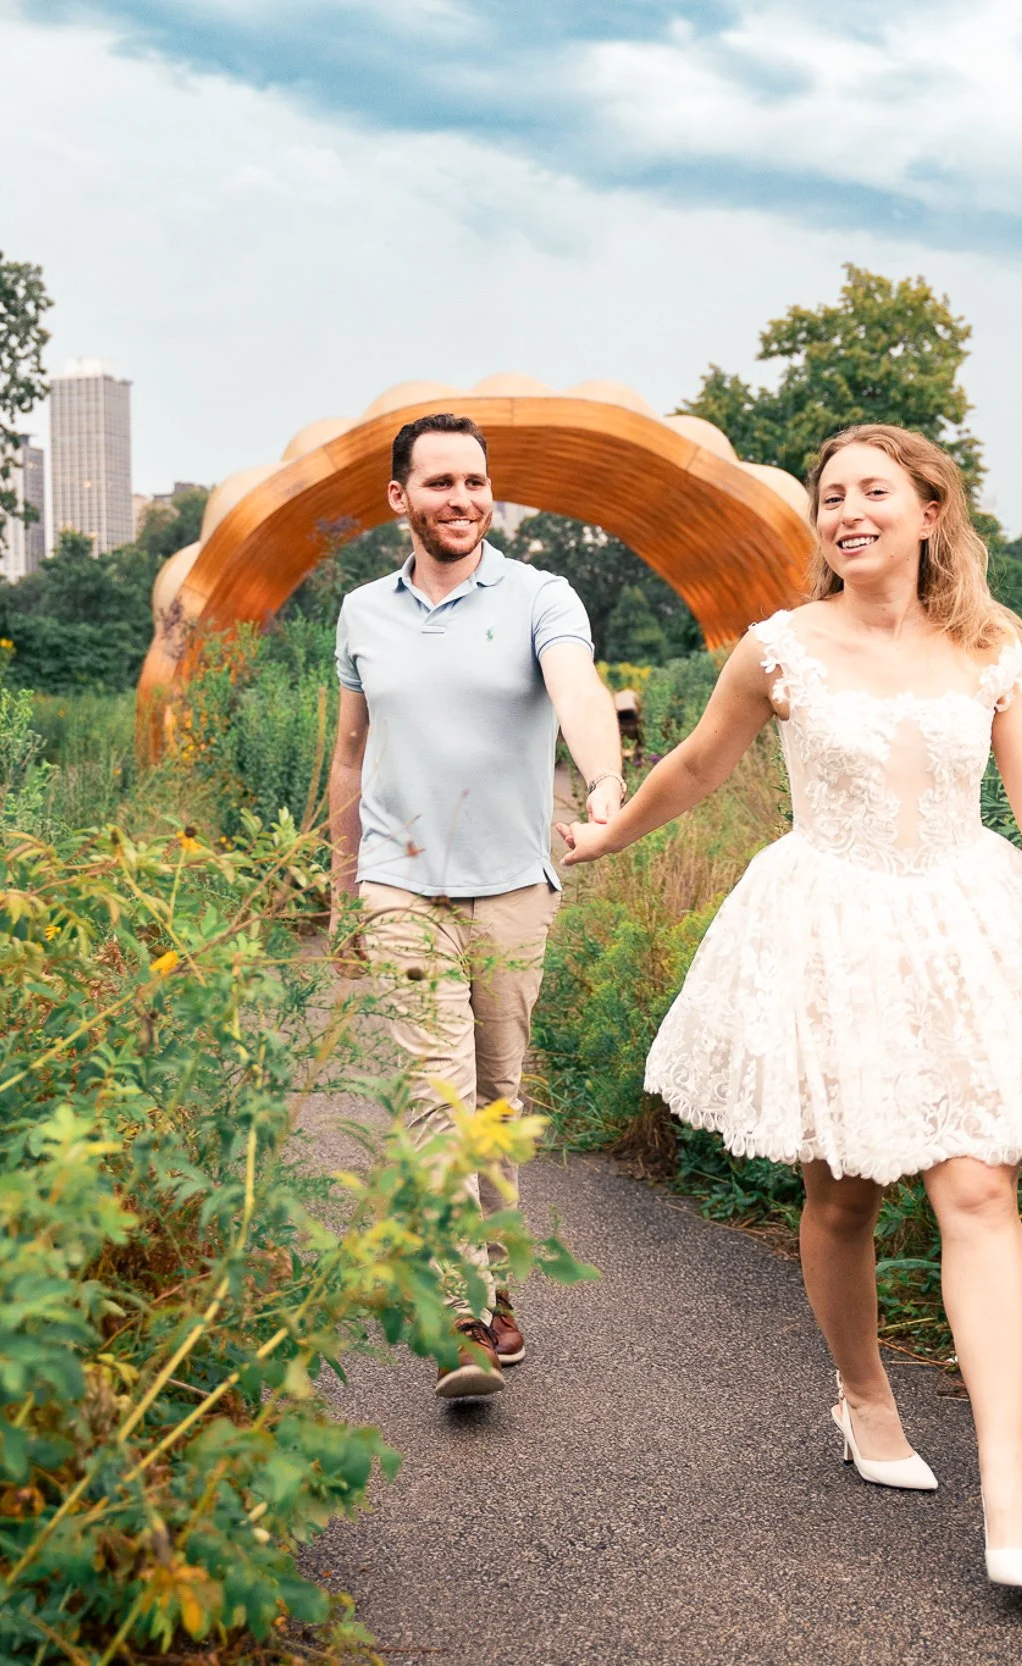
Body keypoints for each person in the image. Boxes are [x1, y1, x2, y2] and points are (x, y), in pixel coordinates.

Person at [555, 423, 1022, 1586]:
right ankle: (861, 1391)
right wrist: (606, 833)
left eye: (872, 491)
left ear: (928, 509)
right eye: (831, 495)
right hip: (830, 930)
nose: (846, 509)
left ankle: (1007, 1485)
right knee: (841, 1197)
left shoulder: (989, 649)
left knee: (979, 1184)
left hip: (958, 924)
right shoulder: (780, 650)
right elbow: (694, 766)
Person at [329, 412, 626, 1400]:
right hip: (398, 885)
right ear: (399, 497)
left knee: (494, 1105)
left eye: (475, 482)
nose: (461, 498)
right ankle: (458, 1311)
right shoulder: (362, 612)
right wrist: (342, 886)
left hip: (509, 891)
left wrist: (603, 781)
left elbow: (577, 690)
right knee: (437, 1099)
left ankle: (490, 1288)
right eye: (440, 482)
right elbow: (348, 752)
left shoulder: (541, 595)